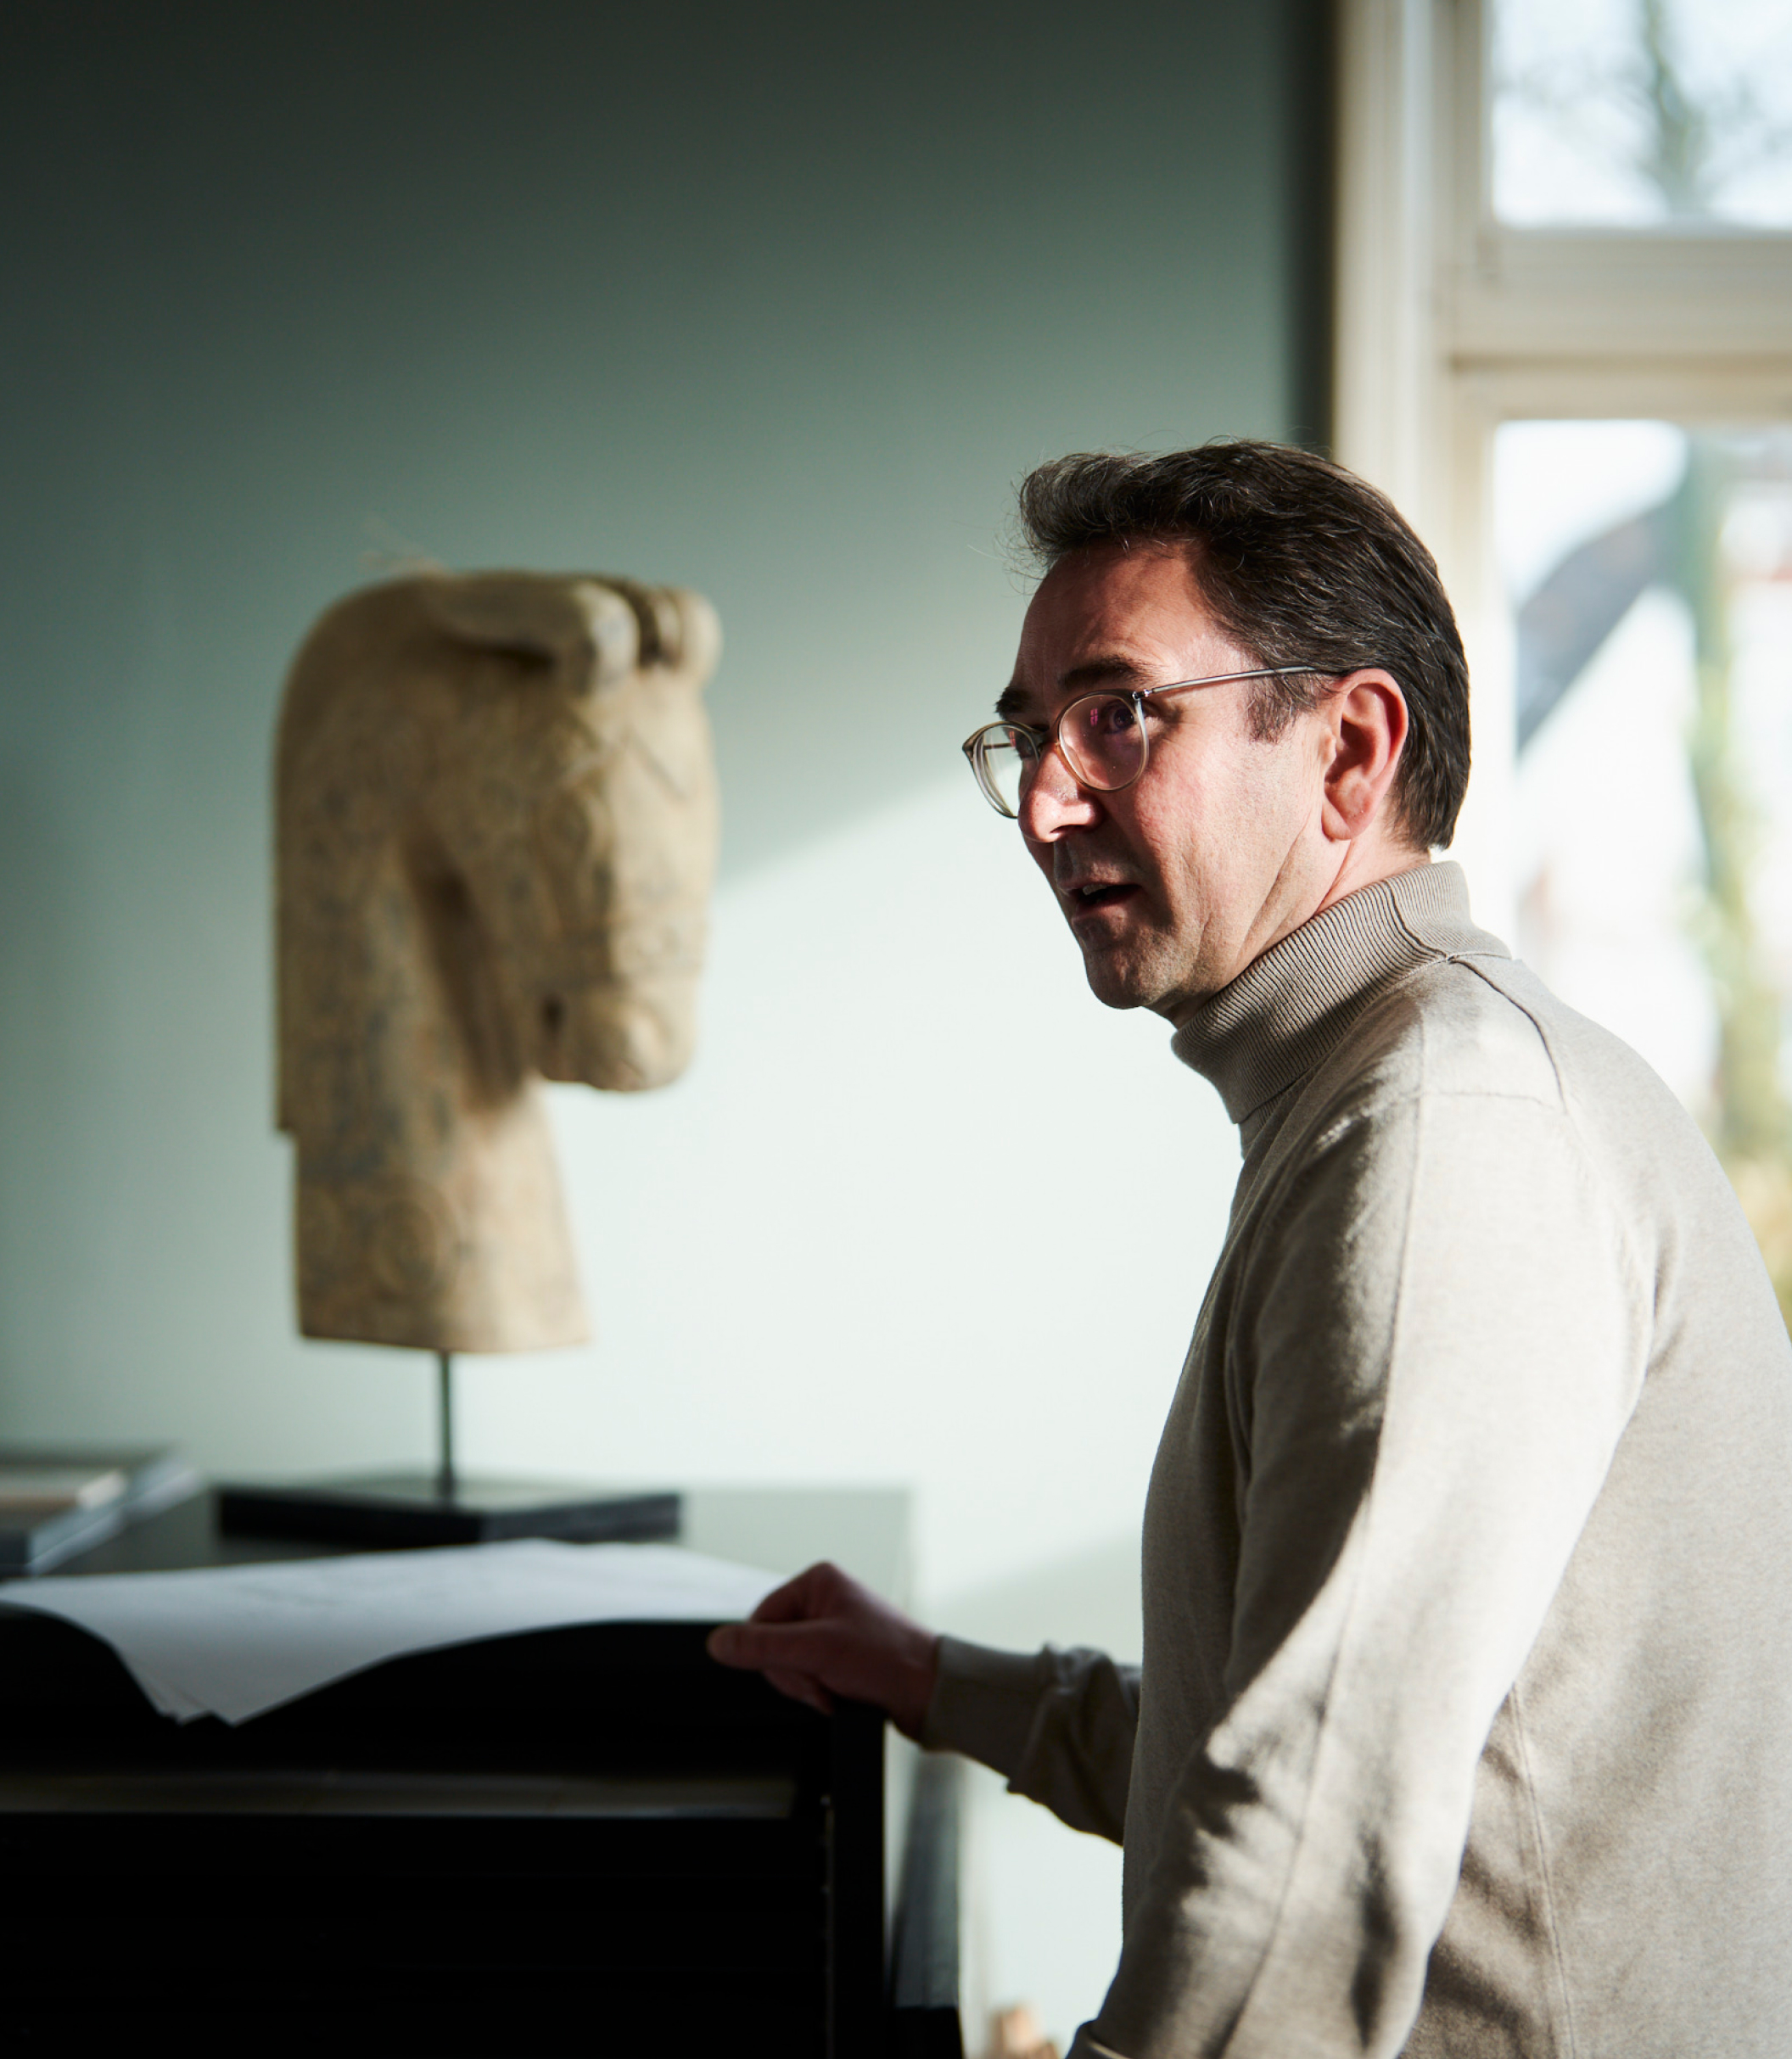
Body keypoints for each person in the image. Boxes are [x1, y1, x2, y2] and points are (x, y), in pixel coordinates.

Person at [708, 443, 1792, 2056]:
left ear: (1349, 749)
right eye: (1026, 736)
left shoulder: (1449, 1130)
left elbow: (1308, 1853)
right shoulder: (1383, 1090)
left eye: (1118, 712)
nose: (1048, 799)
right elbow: (1280, 1726)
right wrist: (937, 1678)